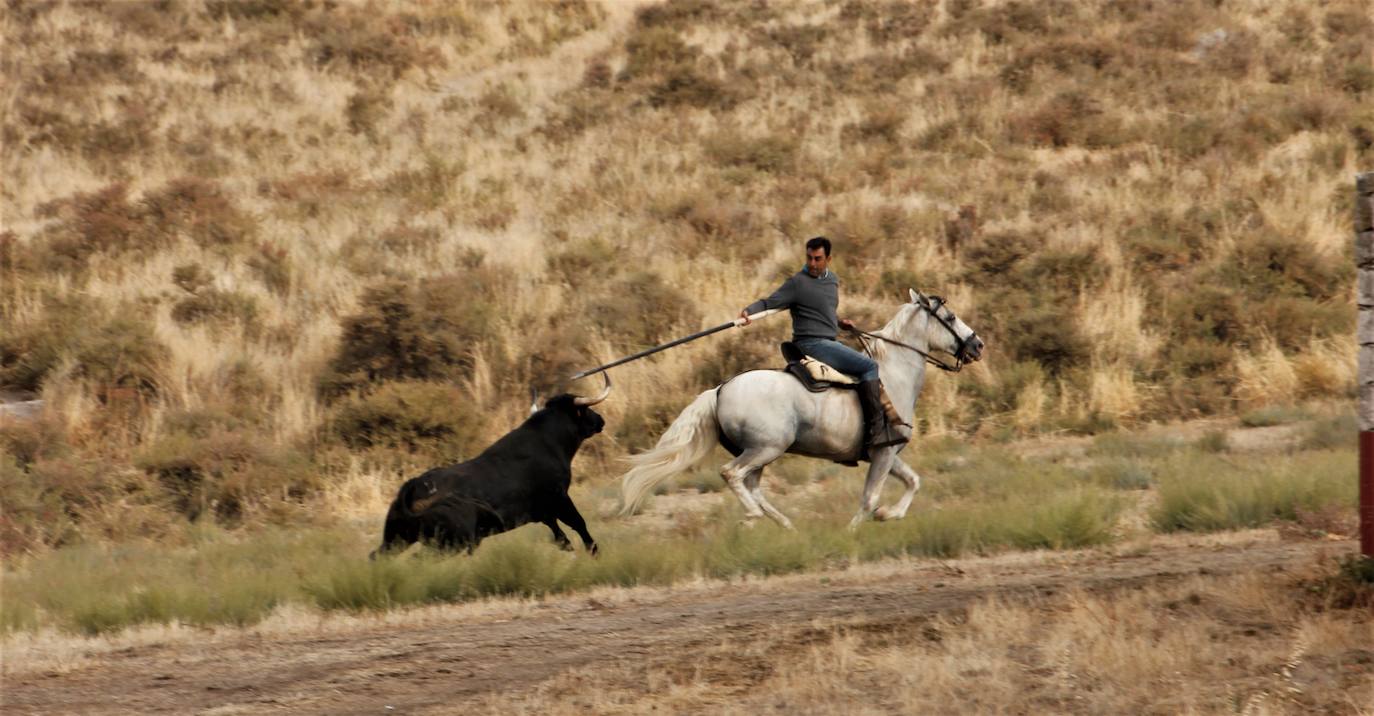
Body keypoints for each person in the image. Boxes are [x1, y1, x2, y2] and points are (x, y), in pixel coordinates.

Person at [739, 236, 908, 452]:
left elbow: (822, 308)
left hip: (829, 340)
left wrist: (839, 322)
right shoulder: (797, 283)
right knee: (869, 366)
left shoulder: (832, 281)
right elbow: (768, 302)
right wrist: (749, 312)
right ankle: (876, 432)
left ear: (828, 258)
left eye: (817, 259)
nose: (812, 263)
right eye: (809, 258)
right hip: (811, 345)